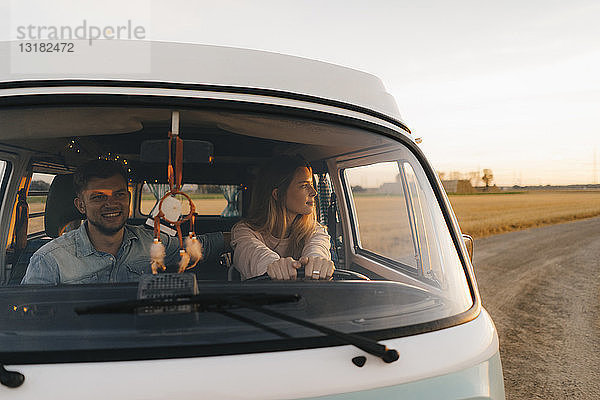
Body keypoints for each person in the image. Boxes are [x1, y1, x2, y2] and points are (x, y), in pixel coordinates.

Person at [21, 159, 226, 284]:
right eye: (99, 197)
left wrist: (243, 235)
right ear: (81, 205)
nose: (112, 204)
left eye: (119, 194)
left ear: (128, 198)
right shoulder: (49, 260)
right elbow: (28, 321)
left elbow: (201, 246)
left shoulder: (152, 243)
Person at [231, 155, 334, 280]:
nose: (314, 192)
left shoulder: (315, 230)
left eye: (311, 184)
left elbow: (317, 248)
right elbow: (253, 253)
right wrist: (273, 266)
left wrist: (317, 262)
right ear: (278, 194)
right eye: (304, 185)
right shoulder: (244, 231)